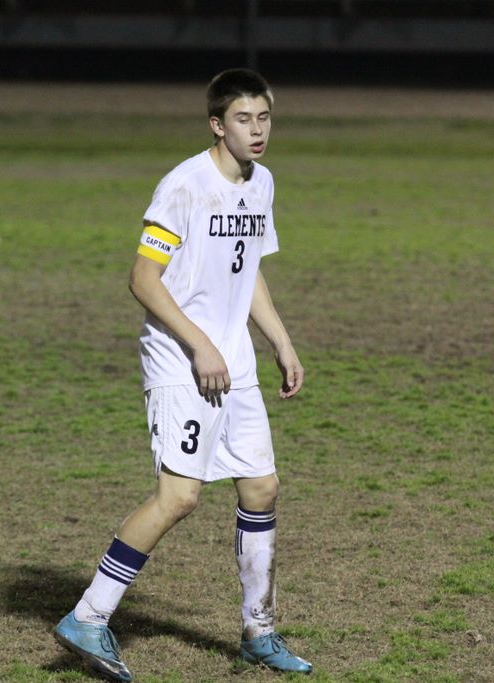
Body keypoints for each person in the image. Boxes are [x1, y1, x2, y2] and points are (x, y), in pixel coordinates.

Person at [53, 68, 311, 680]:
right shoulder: (185, 186)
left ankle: (259, 631)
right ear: (217, 125)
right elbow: (143, 279)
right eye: (244, 119)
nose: (257, 130)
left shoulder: (262, 182)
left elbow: (247, 269)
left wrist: (281, 342)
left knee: (261, 487)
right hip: (181, 360)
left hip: (233, 361)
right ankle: (88, 616)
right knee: (180, 497)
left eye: (264, 118)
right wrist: (199, 345)